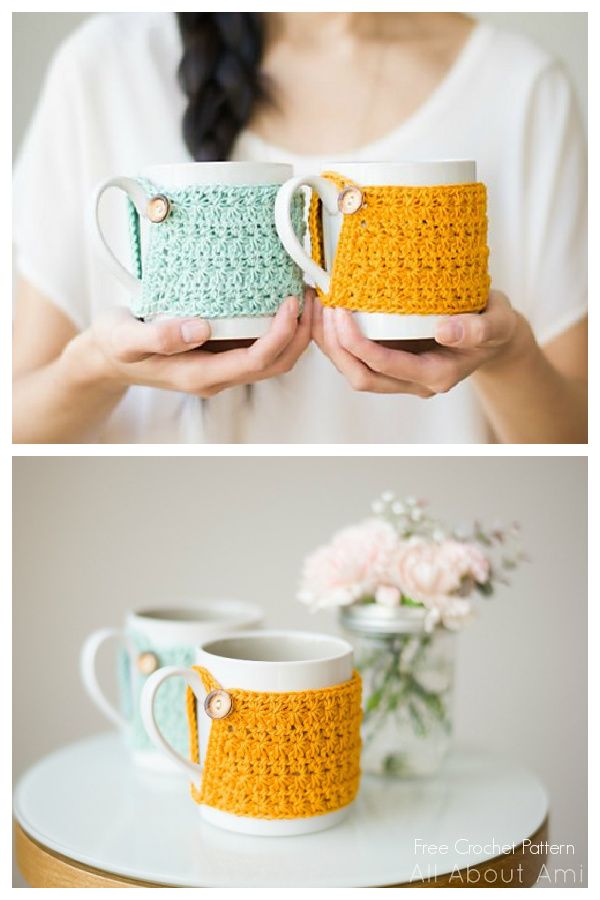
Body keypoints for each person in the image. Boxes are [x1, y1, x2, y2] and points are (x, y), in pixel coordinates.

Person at [13, 12, 587, 443]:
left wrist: (508, 356)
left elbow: (576, 442)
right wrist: (94, 367)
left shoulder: (522, 89)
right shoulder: (106, 67)